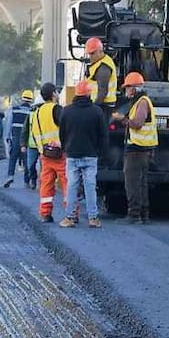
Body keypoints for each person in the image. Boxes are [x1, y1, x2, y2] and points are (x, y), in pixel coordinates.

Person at [58, 80, 108, 228]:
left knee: (72, 186)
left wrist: (65, 148)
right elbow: (103, 135)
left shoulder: (66, 111)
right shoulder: (97, 111)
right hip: (90, 155)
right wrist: (101, 153)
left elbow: (62, 134)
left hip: (72, 154)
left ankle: (69, 217)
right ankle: (93, 218)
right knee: (90, 186)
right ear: (89, 93)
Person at [110, 72, 157, 224]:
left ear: (134, 88)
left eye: (127, 88)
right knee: (141, 183)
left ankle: (134, 215)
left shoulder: (142, 102)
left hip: (137, 149)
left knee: (132, 183)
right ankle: (143, 215)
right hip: (143, 149)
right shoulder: (141, 101)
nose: (126, 91)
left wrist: (121, 119)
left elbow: (137, 123)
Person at [30, 83, 66, 222]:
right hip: (59, 153)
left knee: (46, 184)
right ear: (53, 94)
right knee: (67, 183)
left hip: (44, 154)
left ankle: (45, 213)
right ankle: (71, 213)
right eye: (57, 92)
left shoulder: (37, 112)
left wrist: (41, 149)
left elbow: (35, 133)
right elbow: (66, 126)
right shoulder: (56, 109)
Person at [4, 90, 35, 186]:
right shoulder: (32, 111)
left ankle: (10, 176)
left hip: (16, 137)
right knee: (27, 160)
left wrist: (7, 136)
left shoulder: (14, 109)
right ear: (31, 100)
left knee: (13, 158)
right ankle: (27, 181)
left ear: (22, 99)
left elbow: (8, 124)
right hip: (27, 139)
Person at [84, 37, 118, 113]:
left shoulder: (103, 68)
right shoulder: (100, 63)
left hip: (104, 106)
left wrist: (93, 108)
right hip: (101, 105)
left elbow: (102, 92)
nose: (90, 57)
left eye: (92, 53)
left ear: (100, 51)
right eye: (89, 54)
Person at [19, 94, 41, 189]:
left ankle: (43, 184)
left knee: (45, 168)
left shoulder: (48, 115)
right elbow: (25, 130)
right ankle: (33, 179)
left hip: (45, 146)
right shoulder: (31, 115)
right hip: (32, 145)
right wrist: (23, 144)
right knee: (30, 166)